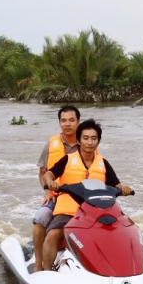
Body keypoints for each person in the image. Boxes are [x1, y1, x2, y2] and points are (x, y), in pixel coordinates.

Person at [41, 119, 132, 271]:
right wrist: (51, 182)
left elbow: (116, 184)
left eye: (94, 138)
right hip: (69, 211)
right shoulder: (67, 159)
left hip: (97, 212)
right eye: (86, 138)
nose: (90, 142)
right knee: (53, 234)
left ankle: (121, 266)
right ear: (78, 140)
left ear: (98, 141)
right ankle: (46, 272)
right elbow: (48, 174)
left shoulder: (103, 163)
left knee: (121, 231)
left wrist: (124, 188)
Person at [32, 105, 85, 272]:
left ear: (78, 122)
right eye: (63, 120)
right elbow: (42, 172)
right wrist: (48, 192)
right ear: (59, 123)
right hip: (56, 197)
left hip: (79, 198)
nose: (67, 124)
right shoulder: (51, 143)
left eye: (71, 120)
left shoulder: (87, 143)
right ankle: (38, 264)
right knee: (40, 218)